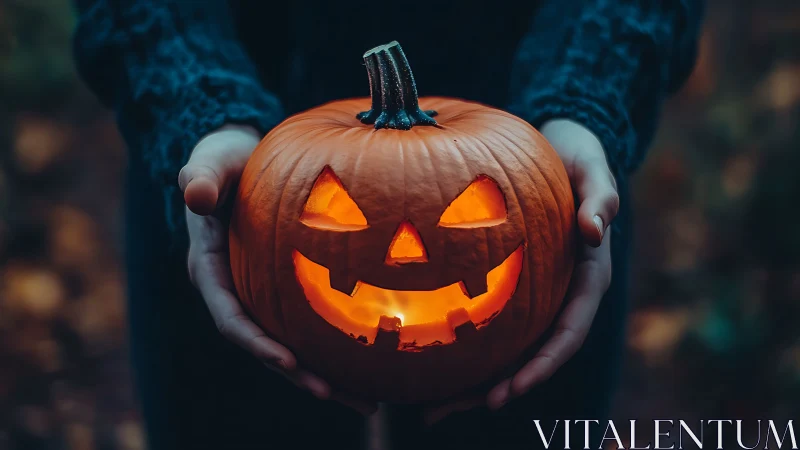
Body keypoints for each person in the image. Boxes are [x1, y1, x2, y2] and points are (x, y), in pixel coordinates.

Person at [72, 1, 705, 449]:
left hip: (541, 179)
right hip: (229, 184)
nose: (404, 256)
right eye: (338, 213)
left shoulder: (533, 178)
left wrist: (588, 97)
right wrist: (195, 104)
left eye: (468, 215)